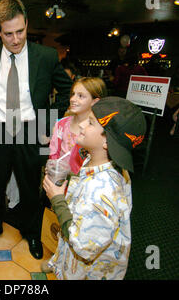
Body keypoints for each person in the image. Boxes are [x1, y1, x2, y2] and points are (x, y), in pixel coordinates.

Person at [0, 0, 71, 259]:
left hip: (30, 130)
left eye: (20, 31)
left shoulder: (45, 56)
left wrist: (47, 122)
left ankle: (32, 233)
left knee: (30, 186)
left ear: (26, 24)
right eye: (8, 33)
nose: (15, 39)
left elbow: (66, 90)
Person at [42, 96, 147, 279]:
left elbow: (83, 246)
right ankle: (59, 262)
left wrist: (57, 199)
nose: (82, 125)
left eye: (90, 123)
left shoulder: (102, 192)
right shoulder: (97, 159)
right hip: (74, 250)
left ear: (107, 142)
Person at [49, 77, 108, 175]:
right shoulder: (61, 125)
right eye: (73, 94)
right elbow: (54, 151)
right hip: (59, 178)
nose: (72, 99)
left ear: (95, 101)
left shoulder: (98, 131)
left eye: (80, 96)